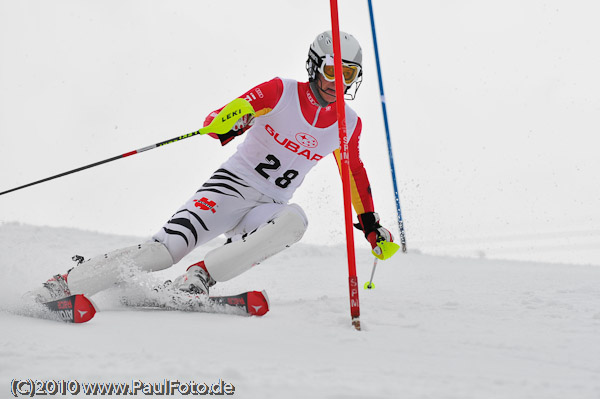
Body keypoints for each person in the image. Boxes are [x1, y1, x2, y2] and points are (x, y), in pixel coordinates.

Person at [30, 30, 397, 302]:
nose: (338, 82)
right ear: (316, 66)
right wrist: (229, 120)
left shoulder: (347, 123)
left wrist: (370, 227)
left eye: (348, 75)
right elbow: (218, 120)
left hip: (268, 208)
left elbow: (355, 175)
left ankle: (198, 279)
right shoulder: (280, 91)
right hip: (228, 190)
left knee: (295, 220)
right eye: (333, 71)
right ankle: (65, 283)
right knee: (163, 252)